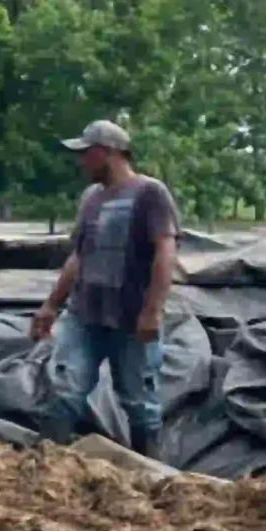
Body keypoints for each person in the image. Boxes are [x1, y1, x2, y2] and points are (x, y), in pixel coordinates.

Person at [29, 118, 179, 458]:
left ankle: (151, 471)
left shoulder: (149, 193)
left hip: (131, 319)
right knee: (64, 390)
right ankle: (46, 466)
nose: (81, 162)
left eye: (86, 154)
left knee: (140, 403)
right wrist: (52, 305)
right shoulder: (91, 198)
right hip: (85, 316)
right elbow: (80, 255)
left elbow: (165, 250)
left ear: (107, 153)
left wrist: (152, 311)